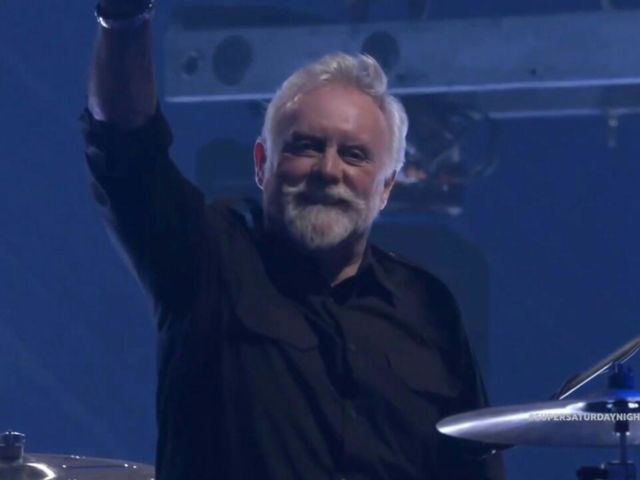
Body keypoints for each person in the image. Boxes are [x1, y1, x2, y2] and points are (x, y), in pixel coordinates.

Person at [82, 1, 506, 479]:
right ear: (262, 163)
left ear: (386, 187)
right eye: (306, 146)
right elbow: (126, 144)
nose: (328, 170)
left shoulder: (428, 307)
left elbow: (477, 463)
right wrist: (124, 17)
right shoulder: (208, 259)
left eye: (354, 155)